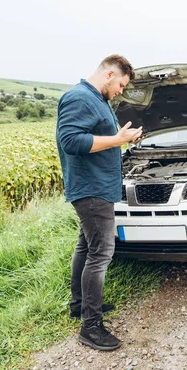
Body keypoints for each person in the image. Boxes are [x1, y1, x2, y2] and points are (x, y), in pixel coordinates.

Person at [56, 54, 142, 351]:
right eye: (120, 84)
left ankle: (79, 305)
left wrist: (123, 139)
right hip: (91, 189)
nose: (120, 91)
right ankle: (90, 328)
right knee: (101, 254)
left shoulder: (97, 99)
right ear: (109, 75)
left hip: (97, 188)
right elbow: (71, 141)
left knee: (86, 246)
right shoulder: (79, 98)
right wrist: (117, 140)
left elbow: (100, 138)